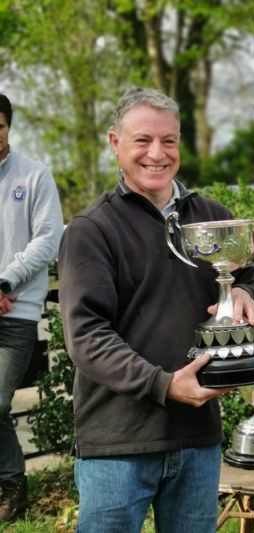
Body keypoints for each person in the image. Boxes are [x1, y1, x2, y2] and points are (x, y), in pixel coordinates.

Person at [58, 87, 254, 533]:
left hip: (196, 437)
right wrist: (164, 384)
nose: (157, 154)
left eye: (169, 141)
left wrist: (250, 295)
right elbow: (86, 337)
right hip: (117, 444)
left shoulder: (211, 218)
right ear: (115, 143)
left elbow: (251, 279)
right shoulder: (92, 231)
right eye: (142, 141)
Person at [0, 93, 64, 522]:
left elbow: (48, 238)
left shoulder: (34, 175)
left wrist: (6, 281)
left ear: (8, 126)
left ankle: (11, 484)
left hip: (15, 312)